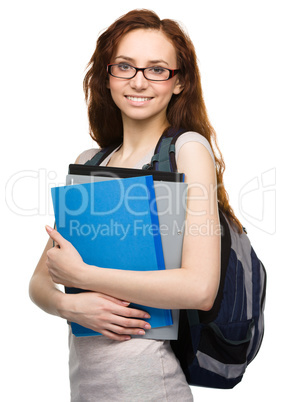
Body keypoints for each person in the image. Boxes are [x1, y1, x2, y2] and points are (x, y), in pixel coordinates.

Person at [29, 9, 243, 401]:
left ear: (179, 83)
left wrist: (86, 276)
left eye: (157, 69)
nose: (139, 81)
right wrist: (69, 306)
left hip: (151, 388)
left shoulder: (186, 150)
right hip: (87, 391)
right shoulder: (93, 161)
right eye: (125, 66)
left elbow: (200, 288)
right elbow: (40, 281)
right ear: (107, 77)